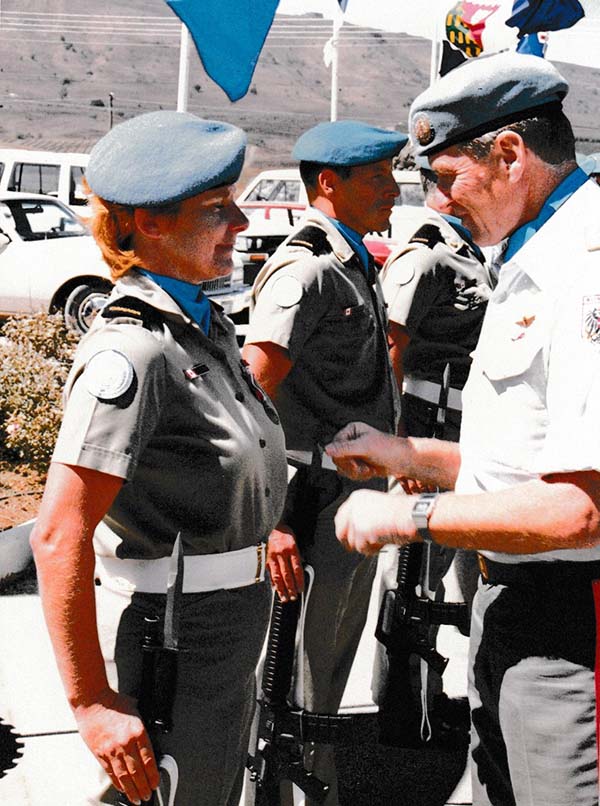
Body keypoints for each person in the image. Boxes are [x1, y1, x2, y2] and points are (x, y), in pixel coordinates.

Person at [326, 52, 600, 806]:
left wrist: (409, 516)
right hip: (511, 607)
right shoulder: (531, 251)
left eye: (446, 178)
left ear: (509, 155)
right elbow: (532, 462)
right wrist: (411, 455)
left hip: (572, 623)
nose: (439, 204)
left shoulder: (584, 267)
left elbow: (579, 510)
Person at [30, 110, 288, 806]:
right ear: (150, 224)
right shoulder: (132, 351)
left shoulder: (201, 327)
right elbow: (59, 534)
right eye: (215, 209)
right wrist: (91, 705)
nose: (239, 222)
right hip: (176, 631)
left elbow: (232, 460)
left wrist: (266, 524)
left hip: (226, 619)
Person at [242, 119, 405, 804]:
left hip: (345, 493)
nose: (394, 191)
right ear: (330, 184)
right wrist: (272, 519)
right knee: (296, 670)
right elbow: (252, 397)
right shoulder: (306, 269)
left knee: (330, 659)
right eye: (378, 178)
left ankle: (316, 783)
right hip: (306, 497)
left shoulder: (350, 259)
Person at [380, 155, 495, 731]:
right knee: (419, 567)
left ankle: (426, 700)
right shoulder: (425, 255)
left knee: (442, 561)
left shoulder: (467, 252)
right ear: (447, 189)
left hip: (460, 424)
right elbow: (392, 351)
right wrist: (403, 447)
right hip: (429, 422)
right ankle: (407, 708)